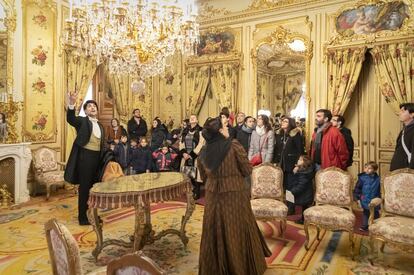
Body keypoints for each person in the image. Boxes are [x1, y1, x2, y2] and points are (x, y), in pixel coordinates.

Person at [197, 117, 271, 275]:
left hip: (212, 194)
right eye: (224, 126)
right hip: (235, 194)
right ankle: (241, 268)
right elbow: (247, 169)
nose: (228, 128)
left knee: (214, 228)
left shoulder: (203, 151)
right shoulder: (233, 145)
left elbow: (203, 177)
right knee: (236, 228)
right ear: (219, 131)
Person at [64, 92, 105, 226]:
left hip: (96, 159)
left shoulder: (101, 126)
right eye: (89, 106)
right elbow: (70, 119)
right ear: (86, 111)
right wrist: (71, 103)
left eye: (94, 106)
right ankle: (83, 217)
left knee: (95, 189)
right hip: (85, 158)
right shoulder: (82, 121)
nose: (93, 108)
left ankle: (92, 215)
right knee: (85, 188)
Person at [273, 116, 304, 214]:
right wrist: (275, 161)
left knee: (290, 187)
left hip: (291, 165)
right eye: (282, 121)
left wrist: (297, 165)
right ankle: (283, 204)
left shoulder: (295, 134)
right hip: (281, 164)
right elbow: (277, 149)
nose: (283, 122)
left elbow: (300, 150)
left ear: (290, 123)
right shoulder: (279, 133)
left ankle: (291, 207)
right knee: (283, 186)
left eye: (285, 121)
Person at [179, 114, 204, 199]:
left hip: (196, 156)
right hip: (186, 156)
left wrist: (191, 155)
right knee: (187, 174)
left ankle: (197, 191)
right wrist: (184, 153)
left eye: (194, 117)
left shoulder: (201, 130)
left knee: (197, 174)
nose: (192, 118)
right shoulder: (185, 131)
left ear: (197, 120)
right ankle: (190, 190)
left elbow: (201, 143)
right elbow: (181, 143)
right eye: (191, 118)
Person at [353, 161, 380, 231]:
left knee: (375, 213)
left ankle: (376, 226)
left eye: (369, 168)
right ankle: (365, 226)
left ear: (374, 170)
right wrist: (358, 199)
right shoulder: (362, 178)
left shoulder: (378, 179)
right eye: (366, 168)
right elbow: (357, 189)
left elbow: (380, 190)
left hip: (374, 200)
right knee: (365, 212)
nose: (367, 169)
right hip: (365, 199)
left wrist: (379, 198)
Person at [289, 155, 315, 224]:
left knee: (305, 207)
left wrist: (292, 191)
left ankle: (304, 220)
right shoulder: (305, 170)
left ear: (305, 163)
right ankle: (304, 219)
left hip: (305, 194)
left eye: (300, 160)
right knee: (304, 207)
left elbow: (301, 185)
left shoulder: (304, 173)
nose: (298, 161)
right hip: (306, 193)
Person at [390, 103, 414, 171]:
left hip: (405, 171)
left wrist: (410, 172)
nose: (399, 113)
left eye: (403, 111)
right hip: (399, 169)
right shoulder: (405, 129)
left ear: (412, 114)